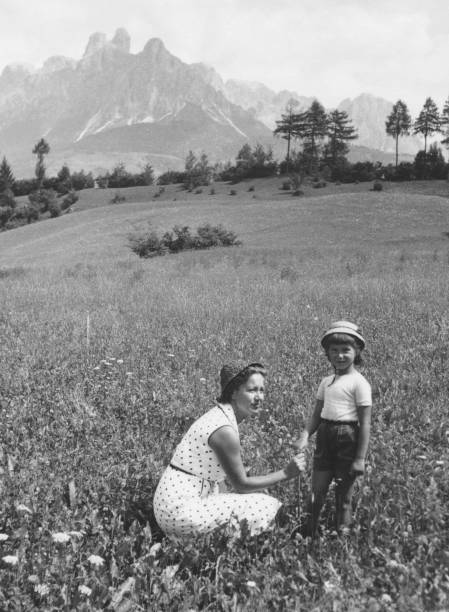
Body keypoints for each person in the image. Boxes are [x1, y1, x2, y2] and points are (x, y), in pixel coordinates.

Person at [153, 360, 305, 537]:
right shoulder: (224, 430)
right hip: (180, 512)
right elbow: (242, 485)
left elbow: (219, 478)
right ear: (233, 392)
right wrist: (286, 473)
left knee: (245, 504)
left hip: (171, 504)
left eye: (261, 390)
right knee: (269, 506)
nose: (259, 397)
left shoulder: (220, 415)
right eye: (251, 390)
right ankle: (282, 545)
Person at [295, 321, 372, 537]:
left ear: (356, 352)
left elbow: (365, 423)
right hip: (325, 437)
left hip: (347, 437)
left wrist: (360, 458)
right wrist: (305, 435)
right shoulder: (326, 381)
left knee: (343, 498)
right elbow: (317, 414)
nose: (339, 356)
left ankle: (343, 541)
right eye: (334, 350)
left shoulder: (359, 383)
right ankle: (307, 534)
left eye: (345, 350)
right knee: (316, 492)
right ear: (327, 353)